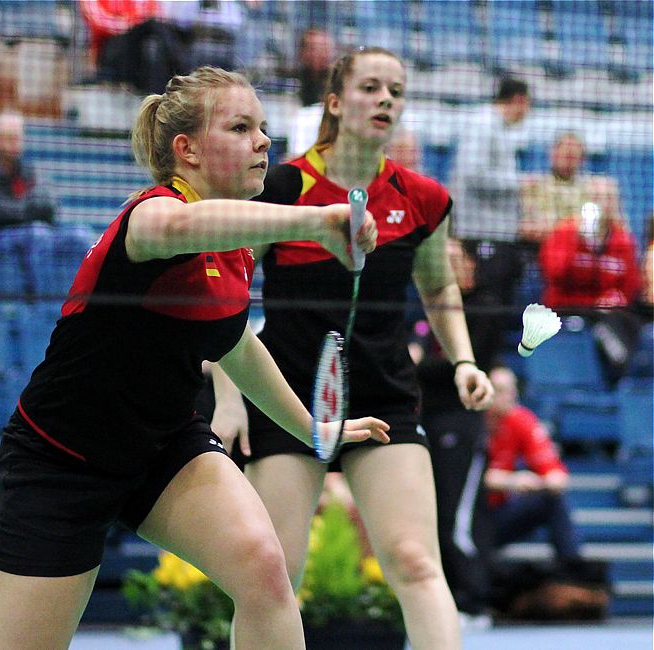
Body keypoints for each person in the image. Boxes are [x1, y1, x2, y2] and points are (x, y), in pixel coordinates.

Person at [0, 66, 390, 650]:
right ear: (187, 149)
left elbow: (235, 344)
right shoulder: (151, 217)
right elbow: (183, 224)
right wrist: (314, 222)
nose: (263, 142)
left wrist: (311, 428)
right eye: (240, 127)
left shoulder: (234, 251)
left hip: (163, 447)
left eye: (264, 128)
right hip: (61, 462)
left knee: (263, 570)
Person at [212, 48, 494, 650]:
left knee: (418, 562)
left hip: (384, 391)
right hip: (287, 397)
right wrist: (228, 394)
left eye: (396, 89)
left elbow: (438, 283)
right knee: (272, 576)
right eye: (371, 87)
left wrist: (464, 359)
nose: (386, 99)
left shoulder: (423, 197)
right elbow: (223, 290)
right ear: (336, 103)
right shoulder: (285, 186)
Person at [407, 238, 502, 626]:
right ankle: (451, 596)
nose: (443, 266)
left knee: (456, 517)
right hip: (427, 421)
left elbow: (459, 365)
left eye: (452, 259)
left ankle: (474, 601)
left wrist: (416, 363)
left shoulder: (485, 308)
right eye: (438, 259)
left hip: (461, 424)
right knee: (433, 514)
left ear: (469, 267)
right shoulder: (423, 309)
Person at [484, 365, 582, 565]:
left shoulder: (520, 419)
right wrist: (510, 481)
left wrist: (539, 482)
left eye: (512, 390)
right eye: (500, 390)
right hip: (466, 515)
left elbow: (558, 478)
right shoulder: (468, 422)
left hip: (497, 515)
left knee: (552, 500)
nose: (509, 397)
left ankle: (573, 571)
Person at [539, 194, 642, 384]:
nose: (602, 204)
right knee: (604, 326)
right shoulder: (563, 234)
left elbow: (630, 286)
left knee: (629, 320)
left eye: (607, 199)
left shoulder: (623, 241)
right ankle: (624, 371)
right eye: (597, 198)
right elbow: (554, 272)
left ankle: (629, 373)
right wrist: (577, 239)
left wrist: (614, 298)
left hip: (605, 310)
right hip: (565, 307)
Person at [450, 77, 531, 307]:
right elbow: (473, 174)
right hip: (481, 234)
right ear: (519, 100)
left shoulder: (499, 128)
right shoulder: (483, 124)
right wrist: (519, 182)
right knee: (485, 304)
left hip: (499, 235)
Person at [0, 111, 58, 242]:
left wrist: (19, 211)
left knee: (78, 236)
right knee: (37, 234)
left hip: (31, 232)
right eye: (10, 138)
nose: (15, 143)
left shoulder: (31, 171)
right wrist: (27, 210)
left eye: (18, 137)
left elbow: (49, 203)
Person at [519, 132, 594, 247]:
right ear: (552, 153)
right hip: (540, 251)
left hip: (580, 254)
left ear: (583, 158)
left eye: (572, 154)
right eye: (564, 150)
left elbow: (601, 231)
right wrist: (568, 229)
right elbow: (525, 228)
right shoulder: (532, 186)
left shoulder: (594, 190)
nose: (568, 153)